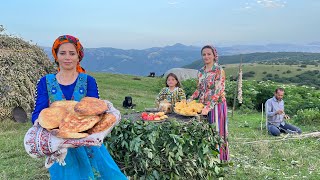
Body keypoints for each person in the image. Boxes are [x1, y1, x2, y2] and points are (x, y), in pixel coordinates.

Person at [31, 35, 127, 179]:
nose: (67, 57)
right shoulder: (45, 81)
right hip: (60, 147)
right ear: (56, 56)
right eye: (62, 53)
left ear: (78, 57)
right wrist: (39, 123)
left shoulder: (88, 81)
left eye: (72, 53)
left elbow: (97, 112)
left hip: (88, 143)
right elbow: (38, 111)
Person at [188, 45, 229, 162]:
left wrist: (208, 107)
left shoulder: (218, 70)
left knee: (216, 131)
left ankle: (220, 159)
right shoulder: (200, 71)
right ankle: (207, 159)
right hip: (202, 105)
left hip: (216, 105)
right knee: (205, 132)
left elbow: (218, 90)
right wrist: (190, 99)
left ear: (214, 55)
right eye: (204, 54)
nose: (206, 56)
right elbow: (199, 89)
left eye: (208, 54)